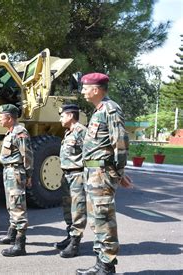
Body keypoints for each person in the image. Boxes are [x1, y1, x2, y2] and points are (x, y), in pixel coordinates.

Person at [77, 73, 129, 274]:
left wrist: (118, 173)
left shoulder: (110, 109)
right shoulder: (98, 111)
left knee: (104, 217)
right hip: (93, 172)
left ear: (96, 90)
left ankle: (107, 267)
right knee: (97, 218)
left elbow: (120, 143)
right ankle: (100, 264)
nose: (82, 91)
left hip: (102, 172)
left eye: (85, 87)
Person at [0, 104, 33, 257]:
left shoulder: (20, 132)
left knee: (18, 206)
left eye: (1, 117)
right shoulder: (10, 132)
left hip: (16, 171)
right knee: (11, 204)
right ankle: (11, 234)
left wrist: (29, 175)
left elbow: (27, 155)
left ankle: (20, 244)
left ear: (9, 118)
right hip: (8, 171)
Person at [55, 104, 88, 258]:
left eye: (62, 115)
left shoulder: (81, 131)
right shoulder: (68, 132)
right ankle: (70, 237)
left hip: (77, 175)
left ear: (70, 116)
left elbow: (90, 155)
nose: (60, 118)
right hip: (67, 176)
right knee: (68, 209)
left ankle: (75, 243)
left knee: (78, 210)